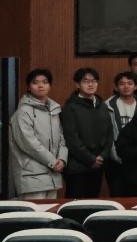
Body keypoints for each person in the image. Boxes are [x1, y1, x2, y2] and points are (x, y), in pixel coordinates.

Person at [10, 69, 67, 199]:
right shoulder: (22, 112)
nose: (41, 85)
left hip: (53, 174)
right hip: (31, 176)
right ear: (28, 87)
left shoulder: (54, 110)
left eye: (45, 82)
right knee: (34, 212)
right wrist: (53, 162)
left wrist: (62, 159)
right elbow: (29, 144)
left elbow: (62, 138)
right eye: (35, 82)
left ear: (50, 86)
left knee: (51, 211)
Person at [61, 67, 113, 198]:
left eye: (94, 81)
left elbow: (109, 133)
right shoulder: (70, 107)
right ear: (77, 84)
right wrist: (90, 159)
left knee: (93, 203)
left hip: (99, 165)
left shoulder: (102, 105)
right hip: (77, 167)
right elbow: (71, 138)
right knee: (76, 205)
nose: (91, 84)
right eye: (86, 81)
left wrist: (103, 155)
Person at [105, 72, 137, 196]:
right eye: (122, 84)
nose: (126, 86)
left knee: (136, 196)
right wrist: (114, 154)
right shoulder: (108, 105)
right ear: (116, 87)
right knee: (117, 194)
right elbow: (106, 133)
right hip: (114, 158)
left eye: (130, 83)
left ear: (135, 86)